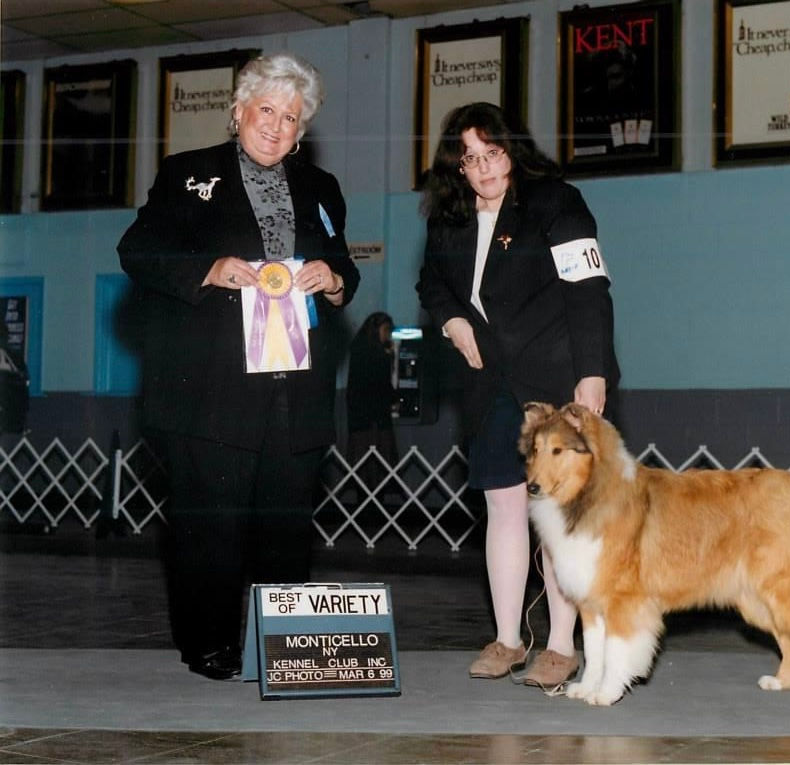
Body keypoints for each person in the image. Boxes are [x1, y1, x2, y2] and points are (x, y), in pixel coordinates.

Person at [117, 52, 359, 681]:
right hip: (209, 389)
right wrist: (208, 269)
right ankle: (210, 643)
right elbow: (138, 251)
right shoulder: (187, 175)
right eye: (267, 111)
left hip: (294, 388)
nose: (277, 127)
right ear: (239, 111)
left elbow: (344, 266)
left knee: (287, 523)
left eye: (291, 118)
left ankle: (290, 650)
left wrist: (333, 278)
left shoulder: (321, 188)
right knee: (211, 528)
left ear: (302, 131)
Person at [416, 102, 619, 688]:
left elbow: (588, 290)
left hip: (556, 378)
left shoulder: (555, 202)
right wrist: (452, 320)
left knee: (557, 518)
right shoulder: (448, 217)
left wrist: (593, 372)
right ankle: (507, 638)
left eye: (493, 154)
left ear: (514, 150)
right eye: (469, 160)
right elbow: (431, 282)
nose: (482, 170)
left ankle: (560, 644)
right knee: (502, 508)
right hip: (488, 383)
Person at [346, 312, 399, 485]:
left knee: (363, 465)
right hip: (374, 418)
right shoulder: (376, 353)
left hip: (360, 418)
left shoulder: (359, 347)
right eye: (386, 330)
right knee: (377, 463)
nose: (387, 335)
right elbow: (382, 383)